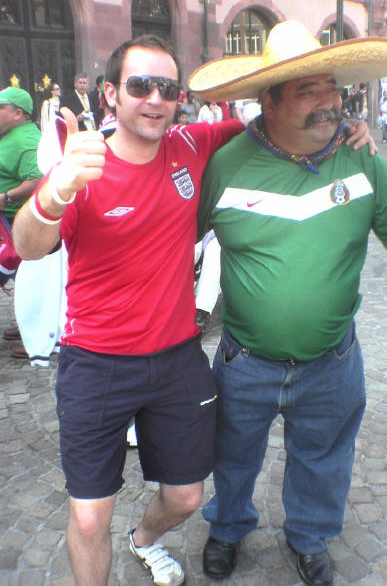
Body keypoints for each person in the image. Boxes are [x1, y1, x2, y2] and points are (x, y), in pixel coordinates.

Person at [188, 19, 387, 586]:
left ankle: (308, 536)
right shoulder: (228, 164)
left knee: (324, 457)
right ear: (269, 102)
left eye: (332, 87)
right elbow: (175, 238)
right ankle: (228, 526)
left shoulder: (360, 157)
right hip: (245, 361)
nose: (330, 101)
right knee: (233, 454)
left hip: (333, 361)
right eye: (309, 90)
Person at [12, 34, 244, 586]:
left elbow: (264, 128)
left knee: (186, 497)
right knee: (90, 516)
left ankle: (144, 539)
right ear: (111, 94)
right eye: (140, 85)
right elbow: (26, 245)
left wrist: (344, 132)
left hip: (177, 358)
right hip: (96, 364)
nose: (155, 98)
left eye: (167, 88)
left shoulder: (190, 145)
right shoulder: (84, 166)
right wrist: (55, 192)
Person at [0, 86, 42, 356]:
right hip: (10, 222)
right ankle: (29, 325)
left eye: (1, 108)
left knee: (30, 279)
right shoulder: (11, 134)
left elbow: (36, 180)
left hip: (18, 224)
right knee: (24, 278)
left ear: (18, 113)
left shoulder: (26, 139)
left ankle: (37, 335)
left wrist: (6, 197)